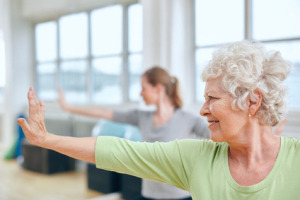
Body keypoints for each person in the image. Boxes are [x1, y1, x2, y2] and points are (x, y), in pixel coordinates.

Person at [17, 40, 297, 199]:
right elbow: (120, 151)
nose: (203, 109)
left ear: (252, 101)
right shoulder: (195, 158)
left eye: (212, 99)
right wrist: (47, 139)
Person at [57, 66, 210, 200]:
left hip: (180, 196)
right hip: (149, 194)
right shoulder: (141, 117)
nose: (140, 93)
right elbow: (103, 112)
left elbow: (218, 138)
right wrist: (69, 108)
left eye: (144, 88)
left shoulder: (189, 119)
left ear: (158, 88)